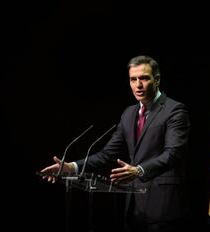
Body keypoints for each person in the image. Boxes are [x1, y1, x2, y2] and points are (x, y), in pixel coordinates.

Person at [40, 55, 190, 232]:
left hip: (162, 205)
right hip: (133, 207)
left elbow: (173, 153)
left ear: (157, 80)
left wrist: (139, 170)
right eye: (133, 80)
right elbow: (107, 154)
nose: (138, 85)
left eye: (143, 78)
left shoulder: (175, 110)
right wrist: (72, 167)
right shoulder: (129, 113)